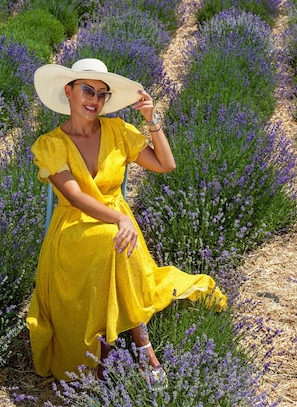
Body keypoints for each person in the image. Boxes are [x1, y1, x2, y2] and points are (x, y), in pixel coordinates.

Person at [25, 58, 227, 388]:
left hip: (116, 227)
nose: (94, 100)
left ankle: (116, 351)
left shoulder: (118, 131)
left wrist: (152, 120)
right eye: (87, 90)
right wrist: (120, 217)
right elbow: (75, 197)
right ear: (69, 92)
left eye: (102, 94)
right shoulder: (52, 143)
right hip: (74, 230)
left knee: (114, 243)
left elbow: (166, 164)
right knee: (113, 241)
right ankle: (142, 347)